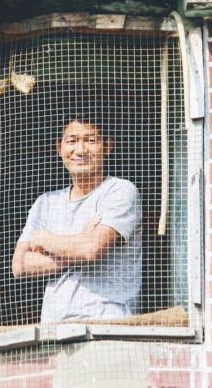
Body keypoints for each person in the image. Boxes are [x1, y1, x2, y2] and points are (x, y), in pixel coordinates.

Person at [11, 116, 142, 323]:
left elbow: (91, 249)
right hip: (53, 328)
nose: (80, 150)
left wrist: (44, 240)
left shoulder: (120, 191)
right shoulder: (46, 203)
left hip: (108, 324)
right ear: (59, 148)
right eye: (71, 141)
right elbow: (19, 264)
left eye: (90, 140)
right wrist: (79, 240)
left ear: (108, 146)